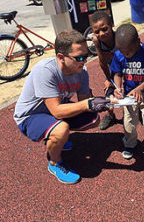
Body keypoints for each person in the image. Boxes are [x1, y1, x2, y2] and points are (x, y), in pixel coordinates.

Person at [14, 30, 110, 184]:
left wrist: (103, 103)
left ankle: (56, 136)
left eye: (86, 56)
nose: (84, 61)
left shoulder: (82, 72)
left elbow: (84, 103)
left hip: (55, 108)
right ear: (61, 57)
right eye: (79, 57)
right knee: (61, 129)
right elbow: (57, 111)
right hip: (30, 115)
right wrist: (87, 104)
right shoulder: (45, 70)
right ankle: (54, 163)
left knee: (94, 119)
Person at [110, 23, 144, 163]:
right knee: (128, 121)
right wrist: (118, 87)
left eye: (129, 52)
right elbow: (118, 74)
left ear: (138, 41)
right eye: (122, 51)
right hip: (128, 95)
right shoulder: (119, 54)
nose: (125, 55)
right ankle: (130, 143)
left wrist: (140, 88)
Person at [90, 11, 117, 130]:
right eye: (97, 32)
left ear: (111, 25)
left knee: (134, 99)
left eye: (105, 29)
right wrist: (109, 79)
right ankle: (111, 116)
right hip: (113, 72)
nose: (101, 34)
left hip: (128, 70)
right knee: (109, 103)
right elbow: (103, 64)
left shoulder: (120, 38)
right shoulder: (99, 43)